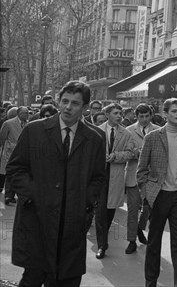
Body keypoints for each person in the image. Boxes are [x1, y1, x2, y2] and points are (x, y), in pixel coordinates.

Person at [6, 80, 105, 287]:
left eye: (75, 103)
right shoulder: (35, 131)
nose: (68, 107)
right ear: (59, 102)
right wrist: (34, 193)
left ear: (85, 108)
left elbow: (98, 177)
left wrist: (85, 204)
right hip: (38, 219)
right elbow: (15, 169)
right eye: (65, 101)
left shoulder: (95, 138)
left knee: (67, 280)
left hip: (72, 225)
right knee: (32, 279)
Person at [137, 98, 177, 287]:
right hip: (158, 195)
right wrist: (147, 193)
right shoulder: (153, 137)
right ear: (165, 114)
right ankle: (150, 282)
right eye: (174, 111)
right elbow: (141, 170)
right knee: (154, 241)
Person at [94, 103, 134, 259]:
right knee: (100, 210)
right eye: (116, 113)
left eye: (121, 113)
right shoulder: (96, 130)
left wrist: (116, 156)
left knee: (110, 210)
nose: (119, 116)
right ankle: (102, 245)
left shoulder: (126, 133)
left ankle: (104, 237)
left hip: (115, 175)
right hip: (98, 175)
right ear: (107, 114)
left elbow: (131, 153)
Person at [124, 103, 159, 253]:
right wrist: (142, 153)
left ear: (151, 115)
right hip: (133, 175)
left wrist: (141, 153)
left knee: (148, 209)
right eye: (141, 116)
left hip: (153, 177)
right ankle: (131, 241)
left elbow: (161, 153)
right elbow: (127, 151)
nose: (144, 119)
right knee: (132, 210)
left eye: (147, 116)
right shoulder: (128, 131)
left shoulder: (159, 131)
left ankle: (139, 228)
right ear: (136, 116)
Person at [0, 106, 29, 205]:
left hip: (23, 152)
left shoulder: (28, 124)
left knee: (19, 173)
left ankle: (12, 195)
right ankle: (8, 195)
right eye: (25, 113)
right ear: (19, 114)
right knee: (10, 173)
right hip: (10, 152)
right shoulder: (8, 123)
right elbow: (2, 137)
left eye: (27, 113)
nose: (27, 114)